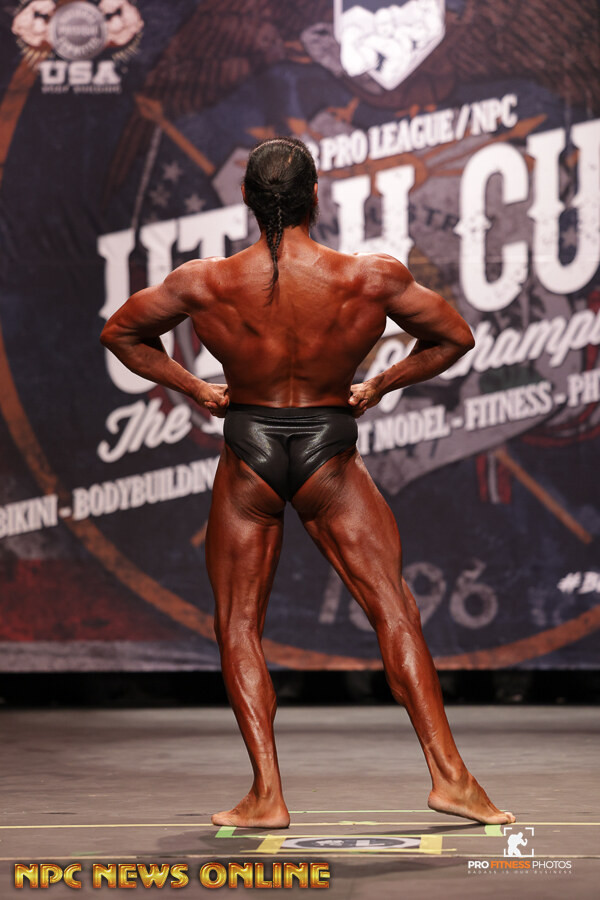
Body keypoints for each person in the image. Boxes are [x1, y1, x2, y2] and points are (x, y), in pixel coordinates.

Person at [100, 136, 516, 829]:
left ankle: (267, 794)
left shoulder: (204, 282)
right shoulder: (369, 278)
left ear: (245, 197)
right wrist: (379, 383)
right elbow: (455, 338)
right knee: (394, 610)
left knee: (238, 624)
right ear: (314, 196)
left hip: (250, 450)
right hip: (331, 451)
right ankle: (453, 780)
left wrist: (196, 389)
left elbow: (121, 333)